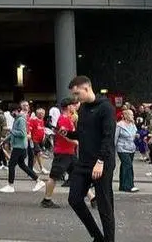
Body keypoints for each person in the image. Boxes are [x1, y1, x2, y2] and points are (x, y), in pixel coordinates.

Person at [63, 76, 116, 242]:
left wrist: (100, 162)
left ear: (86, 88)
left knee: (104, 205)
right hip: (84, 163)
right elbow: (82, 133)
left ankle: (108, 240)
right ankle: (97, 236)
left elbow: (108, 137)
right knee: (74, 199)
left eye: (77, 93)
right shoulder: (84, 108)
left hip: (102, 162)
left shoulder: (106, 108)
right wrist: (68, 133)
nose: (76, 98)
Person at [115, 109, 139, 192]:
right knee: (128, 165)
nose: (132, 116)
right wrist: (112, 150)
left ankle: (122, 185)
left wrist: (137, 136)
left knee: (124, 166)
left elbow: (134, 134)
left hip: (131, 148)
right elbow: (115, 138)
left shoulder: (133, 124)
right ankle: (129, 185)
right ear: (125, 116)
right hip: (122, 148)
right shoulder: (119, 125)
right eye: (131, 114)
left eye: (132, 114)